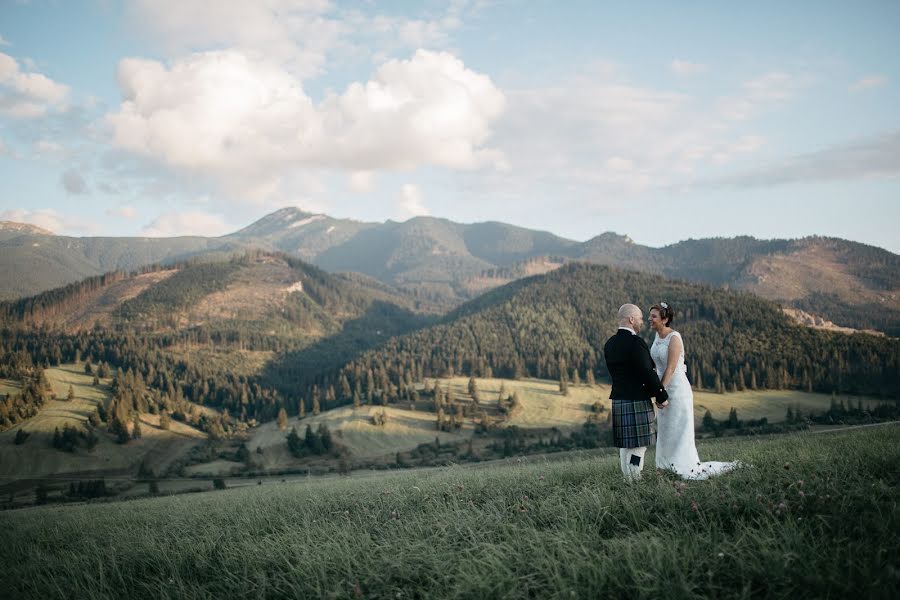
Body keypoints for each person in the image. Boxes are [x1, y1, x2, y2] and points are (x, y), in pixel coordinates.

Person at [649, 302, 738, 480]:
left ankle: (683, 466)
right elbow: (656, 365)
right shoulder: (657, 337)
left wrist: (661, 392)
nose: (649, 319)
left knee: (679, 428)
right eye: (649, 315)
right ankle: (665, 466)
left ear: (665, 319)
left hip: (676, 389)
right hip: (663, 387)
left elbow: (671, 368)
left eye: (654, 316)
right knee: (666, 430)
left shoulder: (674, 337)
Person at [603, 303, 669, 480]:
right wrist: (661, 396)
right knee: (639, 446)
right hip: (637, 400)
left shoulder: (610, 344)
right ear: (631, 319)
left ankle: (628, 479)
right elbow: (647, 373)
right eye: (640, 318)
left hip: (619, 399)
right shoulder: (636, 343)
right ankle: (635, 478)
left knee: (626, 445)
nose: (642, 322)